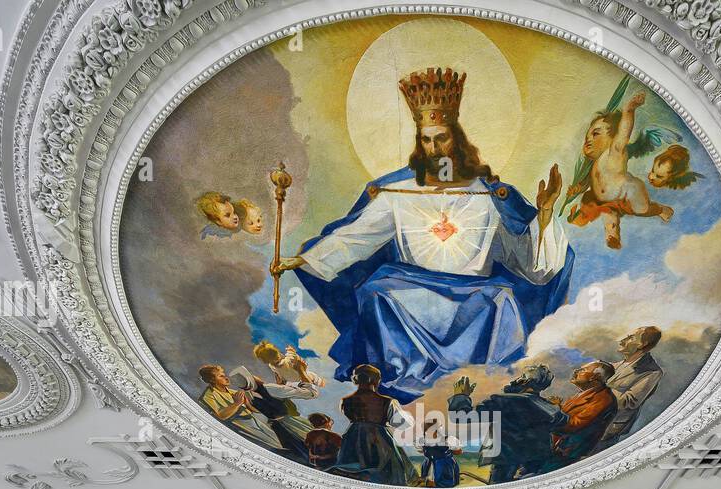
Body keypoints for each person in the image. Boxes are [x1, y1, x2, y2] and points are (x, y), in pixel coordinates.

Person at [271, 67, 573, 401]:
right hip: (408, 285)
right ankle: (401, 376)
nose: (434, 148)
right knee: (375, 293)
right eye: (426, 140)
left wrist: (543, 214)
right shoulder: (398, 192)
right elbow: (358, 236)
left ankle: (485, 387)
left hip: (476, 291)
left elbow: (530, 263)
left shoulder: (489, 196)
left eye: (441, 138)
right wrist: (304, 258)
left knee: (503, 300)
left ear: (456, 140)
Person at [565, 92, 675, 249]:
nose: (588, 139)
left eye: (595, 134)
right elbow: (587, 183)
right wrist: (577, 188)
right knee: (609, 217)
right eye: (587, 136)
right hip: (606, 201)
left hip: (628, 193)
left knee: (643, 209)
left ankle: (661, 209)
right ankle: (612, 236)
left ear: (613, 137)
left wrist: (629, 109)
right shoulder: (594, 164)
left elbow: (624, 131)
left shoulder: (614, 152)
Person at [449, 365, 569, 483]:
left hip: (507, 463)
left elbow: (461, 417)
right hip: (539, 461)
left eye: (521, 376)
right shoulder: (548, 406)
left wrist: (461, 395)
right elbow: (562, 422)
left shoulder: (505, 400)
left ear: (524, 381)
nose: (515, 380)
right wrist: (556, 406)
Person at [334, 364, 416, 485]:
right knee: (388, 472)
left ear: (356, 379)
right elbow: (403, 424)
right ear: (375, 380)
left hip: (352, 438)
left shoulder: (345, 401)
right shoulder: (387, 401)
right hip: (378, 439)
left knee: (352, 473)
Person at [595, 325, 663, 448]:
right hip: (586, 424)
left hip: (605, 431)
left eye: (630, 338)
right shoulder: (615, 366)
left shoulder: (652, 372)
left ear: (643, 344)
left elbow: (629, 401)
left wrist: (599, 387)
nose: (622, 341)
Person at [549, 361, 617, 465]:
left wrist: (553, 411)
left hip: (566, 452)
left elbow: (573, 425)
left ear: (595, 377)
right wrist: (558, 406)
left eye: (583, 370)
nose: (576, 371)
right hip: (556, 443)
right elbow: (570, 414)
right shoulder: (584, 393)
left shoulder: (602, 399)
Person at [418, 418, 462, 487]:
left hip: (442, 465)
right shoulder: (447, 440)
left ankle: (435, 482)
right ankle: (431, 481)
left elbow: (422, 451)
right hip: (439, 464)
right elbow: (458, 451)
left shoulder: (423, 441)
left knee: (442, 481)